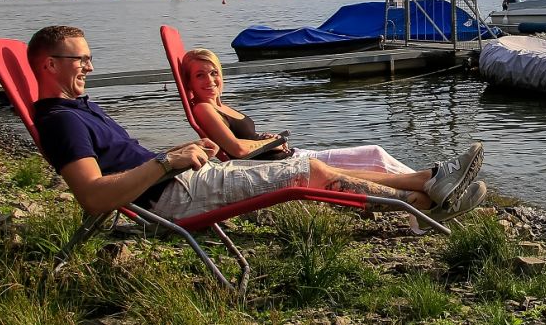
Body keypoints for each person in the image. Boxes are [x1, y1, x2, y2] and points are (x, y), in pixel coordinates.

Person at [28, 26, 485, 223]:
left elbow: (120, 166)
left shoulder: (79, 109)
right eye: (81, 59)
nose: (89, 65)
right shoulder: (61, 121)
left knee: (318, 171)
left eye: (89, 57)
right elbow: (92, 198)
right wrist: (167, 163)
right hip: (170, 199)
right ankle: (426, 203)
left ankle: (429, 183)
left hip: (185, 180)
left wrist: (179, 158)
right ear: (50, 65)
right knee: (310, 173)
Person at [179, 46, 484, 218]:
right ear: (189, 84)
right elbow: (237, 150)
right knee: (373, 157)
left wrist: (270, 138)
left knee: (372, 158)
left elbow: (243, 141)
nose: (209, 80)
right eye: (199, 76)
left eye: (214, 72)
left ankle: (436, 188)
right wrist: (274, 139)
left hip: (288, 156)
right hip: (277, 165)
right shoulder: (205, 108)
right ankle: (434, 184)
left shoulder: (222, 104)